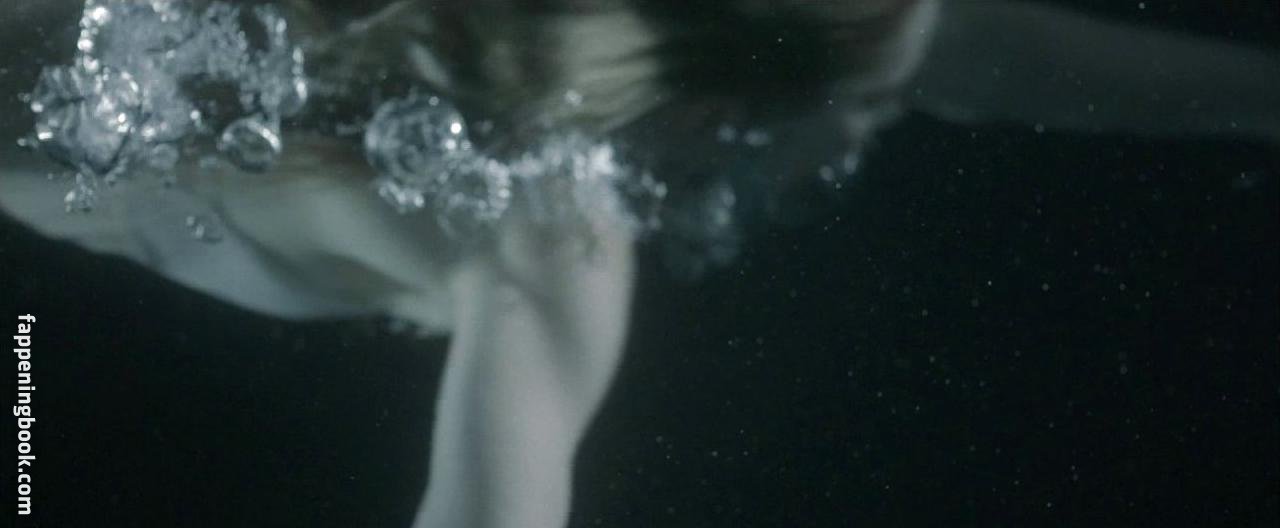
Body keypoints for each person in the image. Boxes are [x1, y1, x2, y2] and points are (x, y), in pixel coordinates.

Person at [1, 1, 1275, 527]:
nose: (872, 128)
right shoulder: (554, 244)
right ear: (719, 118)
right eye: (872, 110)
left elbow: (987, 54)